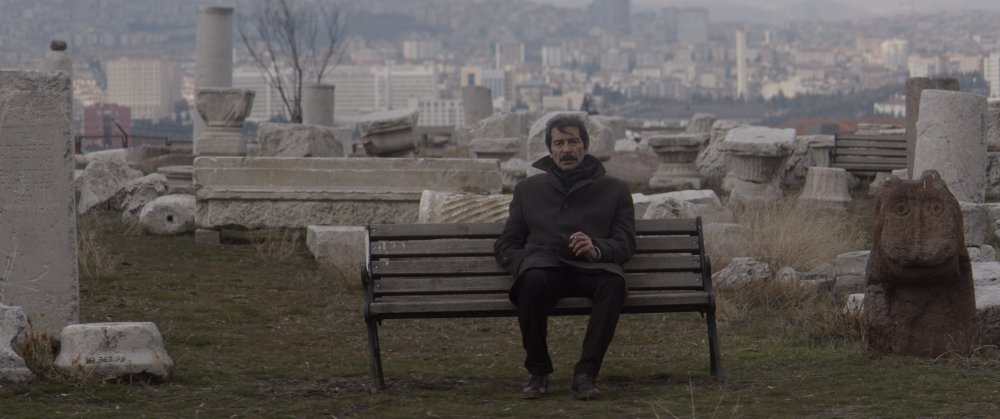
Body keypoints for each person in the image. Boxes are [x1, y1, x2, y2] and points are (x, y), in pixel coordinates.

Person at [494, 116, 636, 400]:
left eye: (573, 142)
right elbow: (507, 243)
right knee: (530, 281)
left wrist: (596, 248)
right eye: (559, 143)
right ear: (550, 149)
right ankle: (538, 372)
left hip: (591, 269)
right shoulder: (527, 190)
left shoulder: (615, 190)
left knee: (613, 284)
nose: (566, 149)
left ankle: (586, 374)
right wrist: (524, 263)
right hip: (544, 269)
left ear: (586, 146)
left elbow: (625, 243)